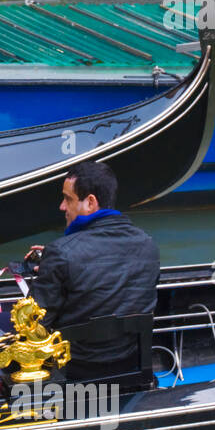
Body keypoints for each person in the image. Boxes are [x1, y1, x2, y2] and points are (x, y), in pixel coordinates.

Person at [27, 161, 160, 382]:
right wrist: (55, 264)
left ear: (90, 203)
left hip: (75, 373)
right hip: (130, 365)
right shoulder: (148, 245)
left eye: (68, 199)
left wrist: (51, 267)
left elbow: (33, 325)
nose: (62, 206)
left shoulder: (61, 252)